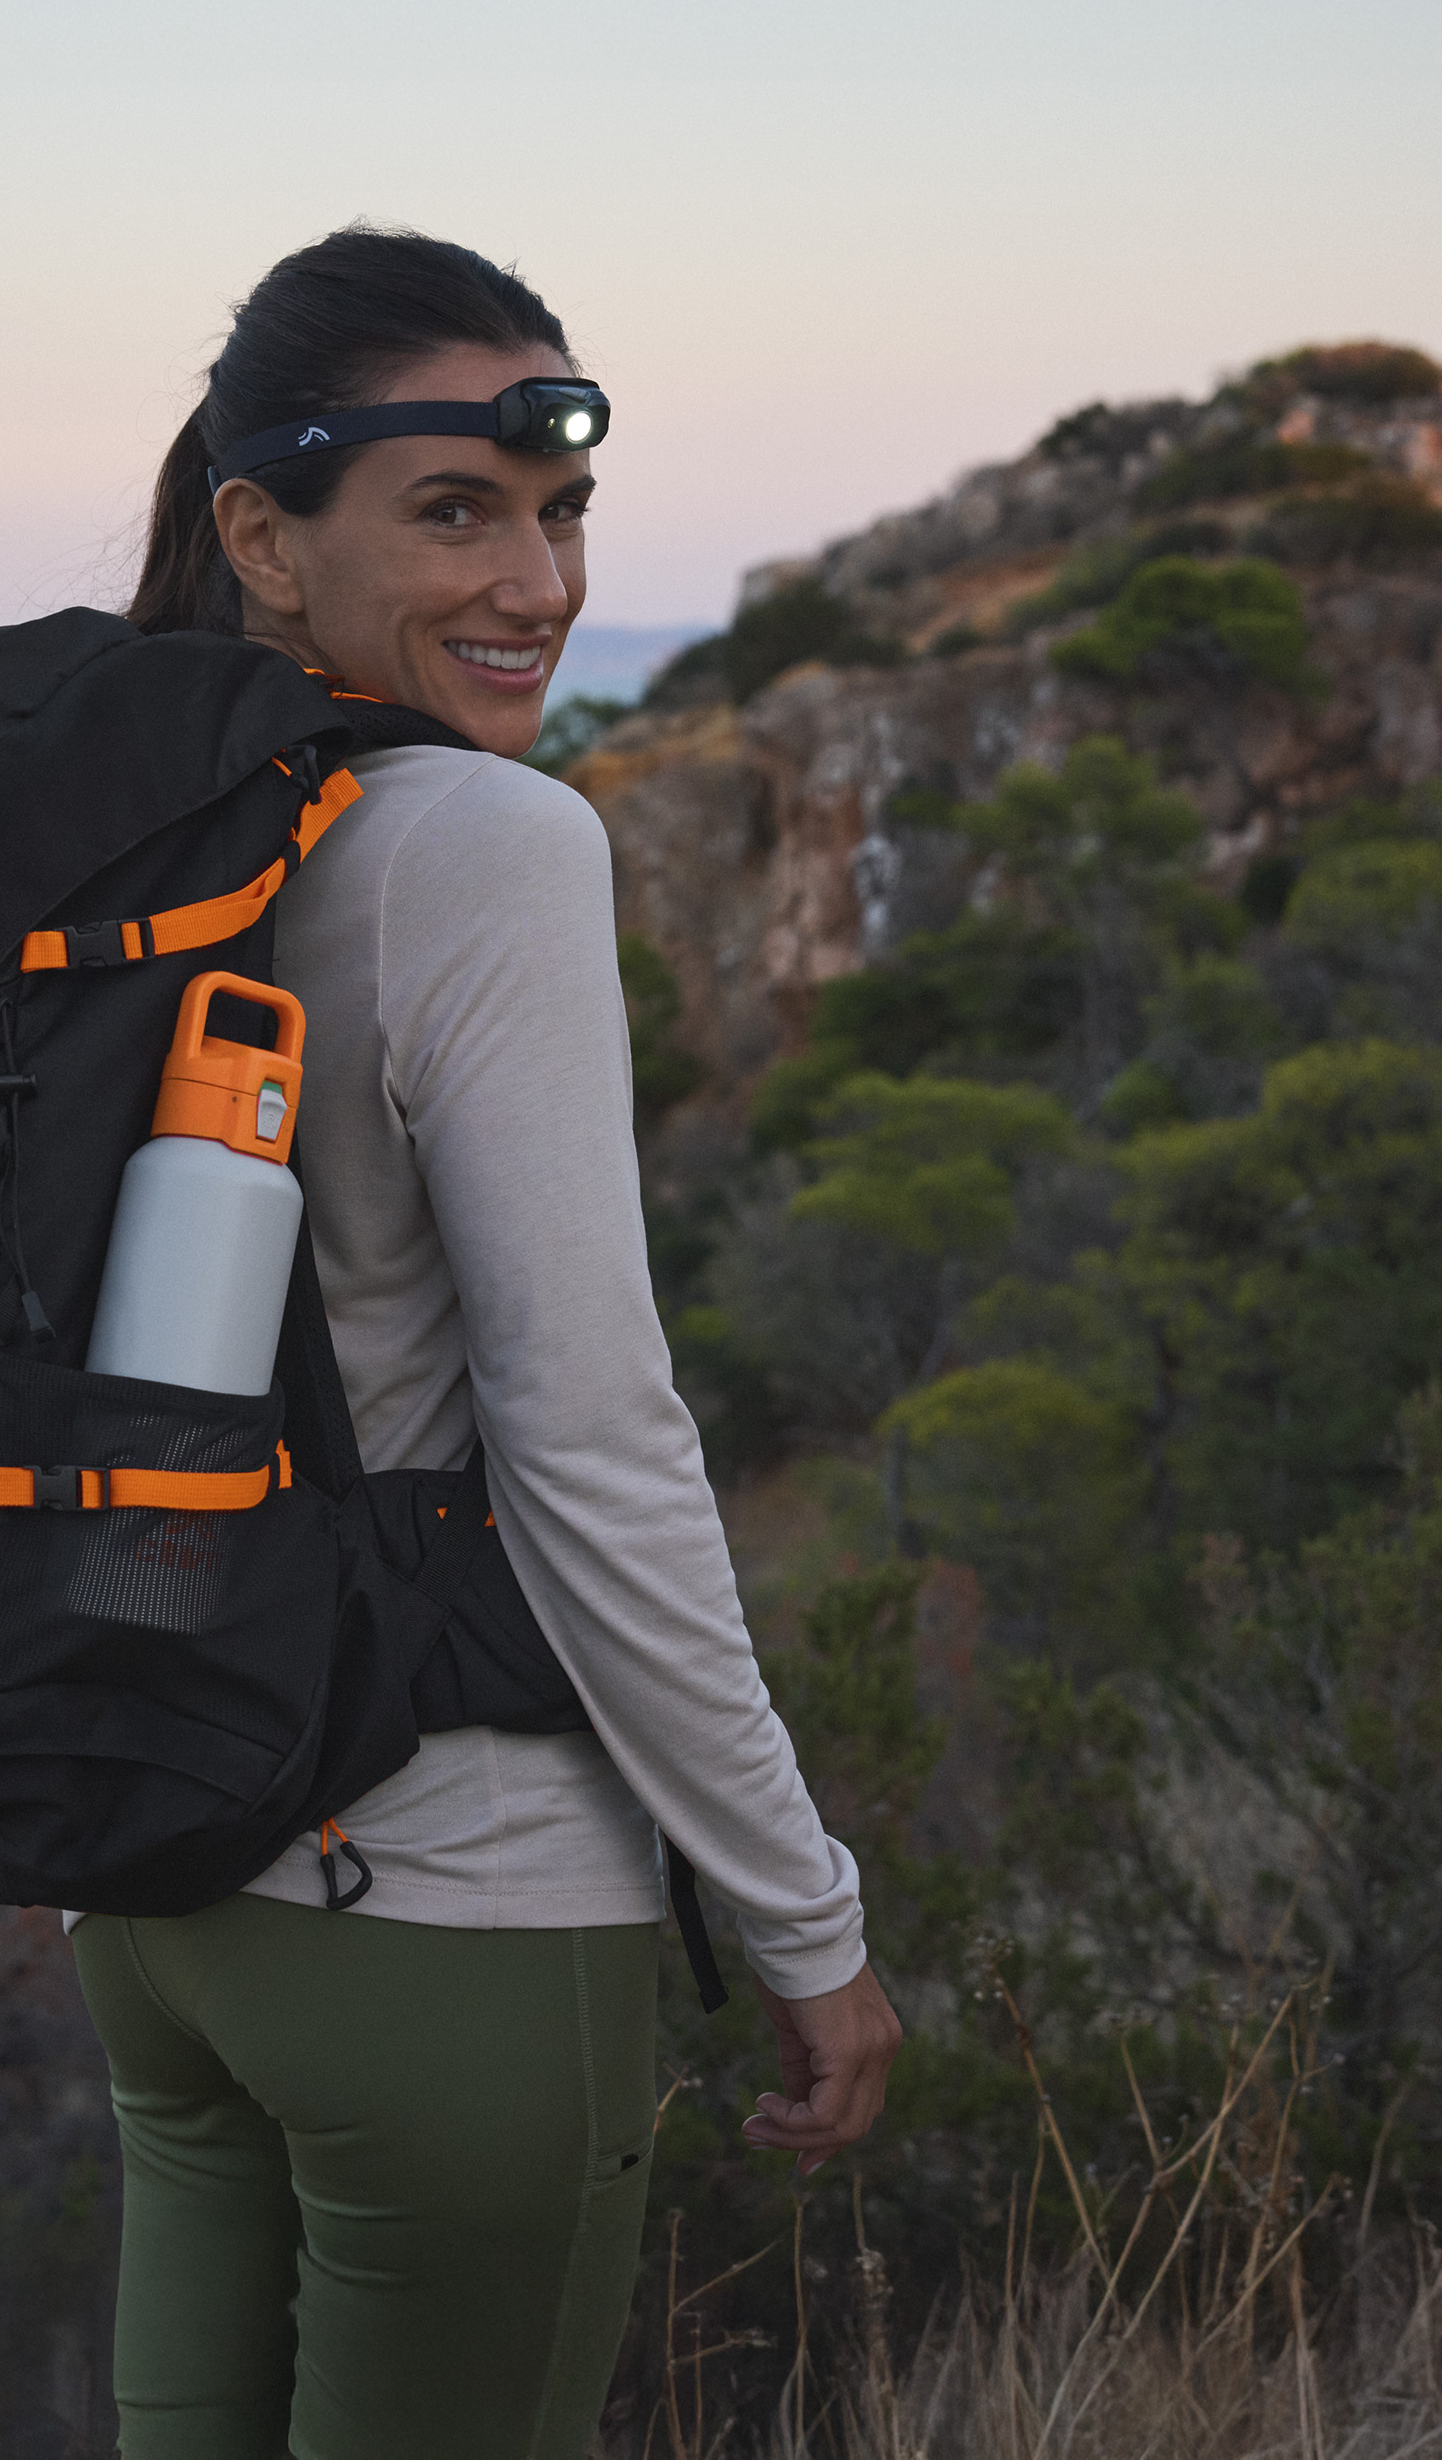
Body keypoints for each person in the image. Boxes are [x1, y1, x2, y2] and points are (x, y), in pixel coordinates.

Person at [71, 225, 901, 2460]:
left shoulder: (110, 828)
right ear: (263, 535)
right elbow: (592, 1434)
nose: (536, 583)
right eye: (456, 513)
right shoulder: (480, 843)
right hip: (442, 1900)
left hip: (153, 1893)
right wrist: (802, 1919)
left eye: (562, 512)